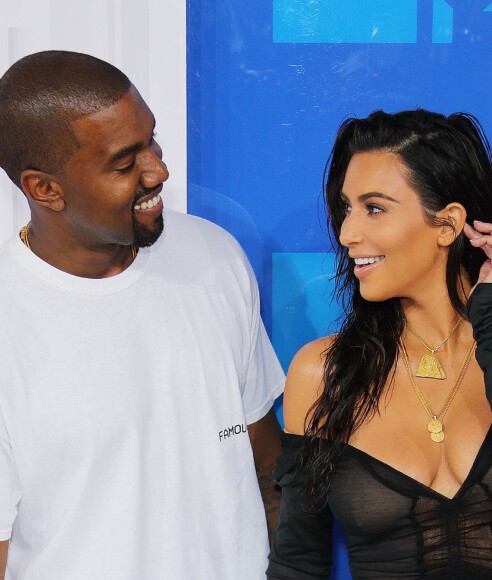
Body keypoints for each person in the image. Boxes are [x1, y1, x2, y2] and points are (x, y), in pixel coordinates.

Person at [0, 50, 284, 579]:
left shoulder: (213, 256)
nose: (159, 170)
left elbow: (264, 460)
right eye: (125, 162)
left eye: (151, 139)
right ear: (45, 189)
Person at [267, 109, 492, 579]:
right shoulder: (322, 371)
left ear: (448, 224)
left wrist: (490, 316)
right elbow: (298, 562)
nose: (348, 233)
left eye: (374, 208)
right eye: (346, 208)